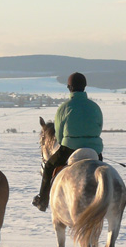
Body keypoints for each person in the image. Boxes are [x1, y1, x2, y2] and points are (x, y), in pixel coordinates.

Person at [32, 72, 103, 211]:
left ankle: (42, 201)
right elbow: (99, 127)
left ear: (69, 87)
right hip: (94, 150)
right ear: (85, 86)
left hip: (70, 148)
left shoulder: (64, 108)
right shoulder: (95, 107)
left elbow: (58, 134)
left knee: (48, 168)